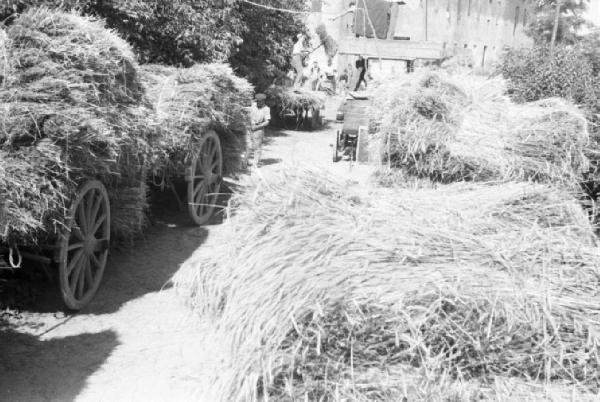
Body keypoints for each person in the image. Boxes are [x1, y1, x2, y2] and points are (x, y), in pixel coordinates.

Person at [247, 93, 271, 168]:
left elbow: (267, 122)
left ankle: (255, 163)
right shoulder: (253, 105)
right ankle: (245, 161)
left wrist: (257, 127)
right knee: (248, 145)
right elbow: (247, 109)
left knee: (257, 147)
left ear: (264, 101)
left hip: (258, 128)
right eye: (257, 101)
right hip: (250, 126)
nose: (258, 103)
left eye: (260, 101)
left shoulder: (266, 109)